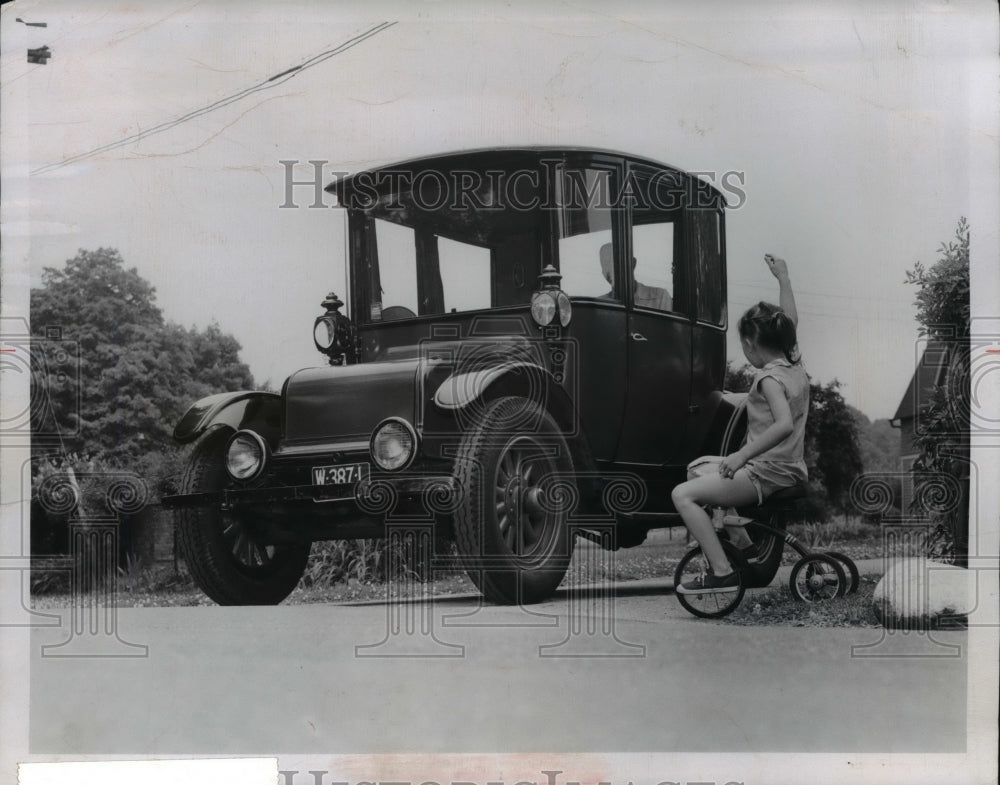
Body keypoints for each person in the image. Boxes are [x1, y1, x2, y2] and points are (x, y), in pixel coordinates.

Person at [672, 254, 809, 594]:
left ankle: (721, 571)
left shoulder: (769, 379)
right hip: (789, 467)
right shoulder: (794, 364)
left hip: (766, 473)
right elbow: (790, 318)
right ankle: (742, 544)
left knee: (682, 495)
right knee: (696, 470)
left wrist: (740, 456)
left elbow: (784, 425)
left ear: (749, 345)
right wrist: (783, 278)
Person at [599, 243, 672, 311]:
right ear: (603, 274)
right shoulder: (599, 305)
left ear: (633, 264)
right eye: (606, 267)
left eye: (616, 266)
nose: (611, 273)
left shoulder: (660, 298)